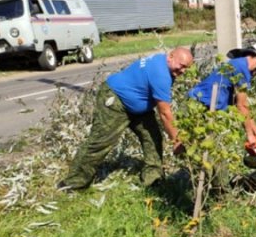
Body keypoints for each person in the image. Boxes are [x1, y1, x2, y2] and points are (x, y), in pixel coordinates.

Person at [58, 47, 194, 190]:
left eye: (187, 68)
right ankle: (73, 183)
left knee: (153, 137)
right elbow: (165, 113)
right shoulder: (161, 74)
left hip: (138, 107)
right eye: (182, 66)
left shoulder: (162, 61)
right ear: (170, 57)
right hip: (116, 100)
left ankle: (153, 179)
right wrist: (177, 140)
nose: (183, 71)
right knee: (100, 142)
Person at [188, 40, 256, 144]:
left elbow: (244, 106)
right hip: (198, 106)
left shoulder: (240, 65)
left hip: (204, 107)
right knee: (196, 144)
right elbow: (241, 106)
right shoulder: (241, 69)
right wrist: (250, 136)